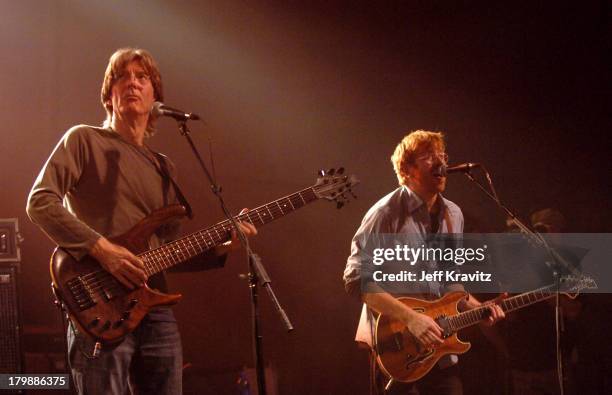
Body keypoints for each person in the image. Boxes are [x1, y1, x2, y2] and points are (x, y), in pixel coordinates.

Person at [26, 48, 257, 395]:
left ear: (155, 97)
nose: (132, 83)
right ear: (109, 94)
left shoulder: (165, 167)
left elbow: (164, 251)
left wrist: (224, 245)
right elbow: (40, 202)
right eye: (123, 77)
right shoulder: (84, 139)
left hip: (153, 306)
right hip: (98, 304)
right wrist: (104, 251)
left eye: (142, 77)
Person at [343, 130, 504, 395]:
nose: (441, 162)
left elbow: (450, 279)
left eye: (442, 155)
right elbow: (356, 280)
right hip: (396, 350)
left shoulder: (453, 213)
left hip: (440, 348)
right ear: (407, 169)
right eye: (429, 156)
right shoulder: (385, 213)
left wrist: (479, 308)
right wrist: (411, 319)